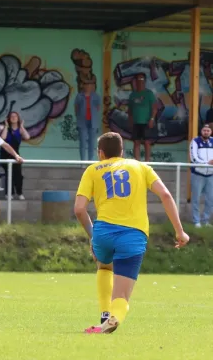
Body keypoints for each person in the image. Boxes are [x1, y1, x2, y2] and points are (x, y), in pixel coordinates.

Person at [74, 132, 189, 334]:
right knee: (122, 296)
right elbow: (165, 194)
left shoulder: (92, 170)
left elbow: (79, 209)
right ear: (122, 151)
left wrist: (92, 235)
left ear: (100, 153)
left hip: (103, 232)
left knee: (104, 266)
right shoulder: (141, 167)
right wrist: (180, 231)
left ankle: (104, 313)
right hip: (133, 235)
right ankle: (113, 318)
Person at [0, 112, 30, 200]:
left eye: (15, 116)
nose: (13, 118)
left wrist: (21, 126)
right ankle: (9, 193)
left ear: (18, 118)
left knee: (18, 174)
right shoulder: (5, 128)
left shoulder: (20, 129)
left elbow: (27, 137)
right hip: (5, 154)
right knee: (9, 174)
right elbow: (3, 138)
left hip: (15, 154)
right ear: (8, 118)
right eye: (11, 116)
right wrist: (6, 126)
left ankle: (19, 193)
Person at [128, 74, 157, 162]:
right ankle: (137, 162)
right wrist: (130, 120)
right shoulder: (132, 95)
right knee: (136, 142)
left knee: (147, 142)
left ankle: (147, 163)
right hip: (136, 122)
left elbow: (155, 108)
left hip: (146, 122)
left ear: (144, 81)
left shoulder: (149, 94)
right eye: (138, 79)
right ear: (136, 82)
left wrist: (152, 119)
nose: (140, 81)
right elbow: (130, 110)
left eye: (142, 79)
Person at [189, 124, 213, 228]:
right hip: (198, 174)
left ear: (211, 132)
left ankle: (206, 221)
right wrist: (207, 163)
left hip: (211, 174)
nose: (206, 132)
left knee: (210, 199)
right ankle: (196, 221)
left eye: (208, 130)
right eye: (204, 130)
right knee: (196, 198)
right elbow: (193, 157)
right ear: (201, 131)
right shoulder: (195, 141)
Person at [74, 83, 101, 161]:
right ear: (84, 86)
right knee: (82, 141)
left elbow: (98, 107)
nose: (88, 86)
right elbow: (76, 108)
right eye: (86, 85)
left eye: (90, 85)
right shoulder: (79, 96)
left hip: (93, 121)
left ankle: (90, 161)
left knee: (92, 143)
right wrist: (79, 116)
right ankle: (82, 162)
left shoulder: (96, 96)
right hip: (82, 122)